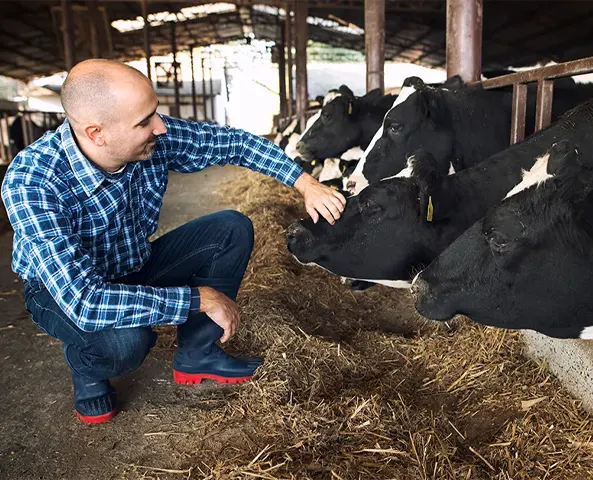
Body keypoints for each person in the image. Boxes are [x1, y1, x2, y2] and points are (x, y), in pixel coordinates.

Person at [1, 59, 346, 424]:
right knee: (125, 343)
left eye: (154, 113)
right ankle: (87, 367)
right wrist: (199, 298)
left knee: (230, 228)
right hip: (62, 294)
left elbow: (235, 144)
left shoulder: (155, 138)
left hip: (134, 263)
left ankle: (197, 354)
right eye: (144, 121)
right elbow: (86, 301)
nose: (160, 126)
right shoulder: (33, 181)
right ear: (96, 133)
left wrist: (305, 183)